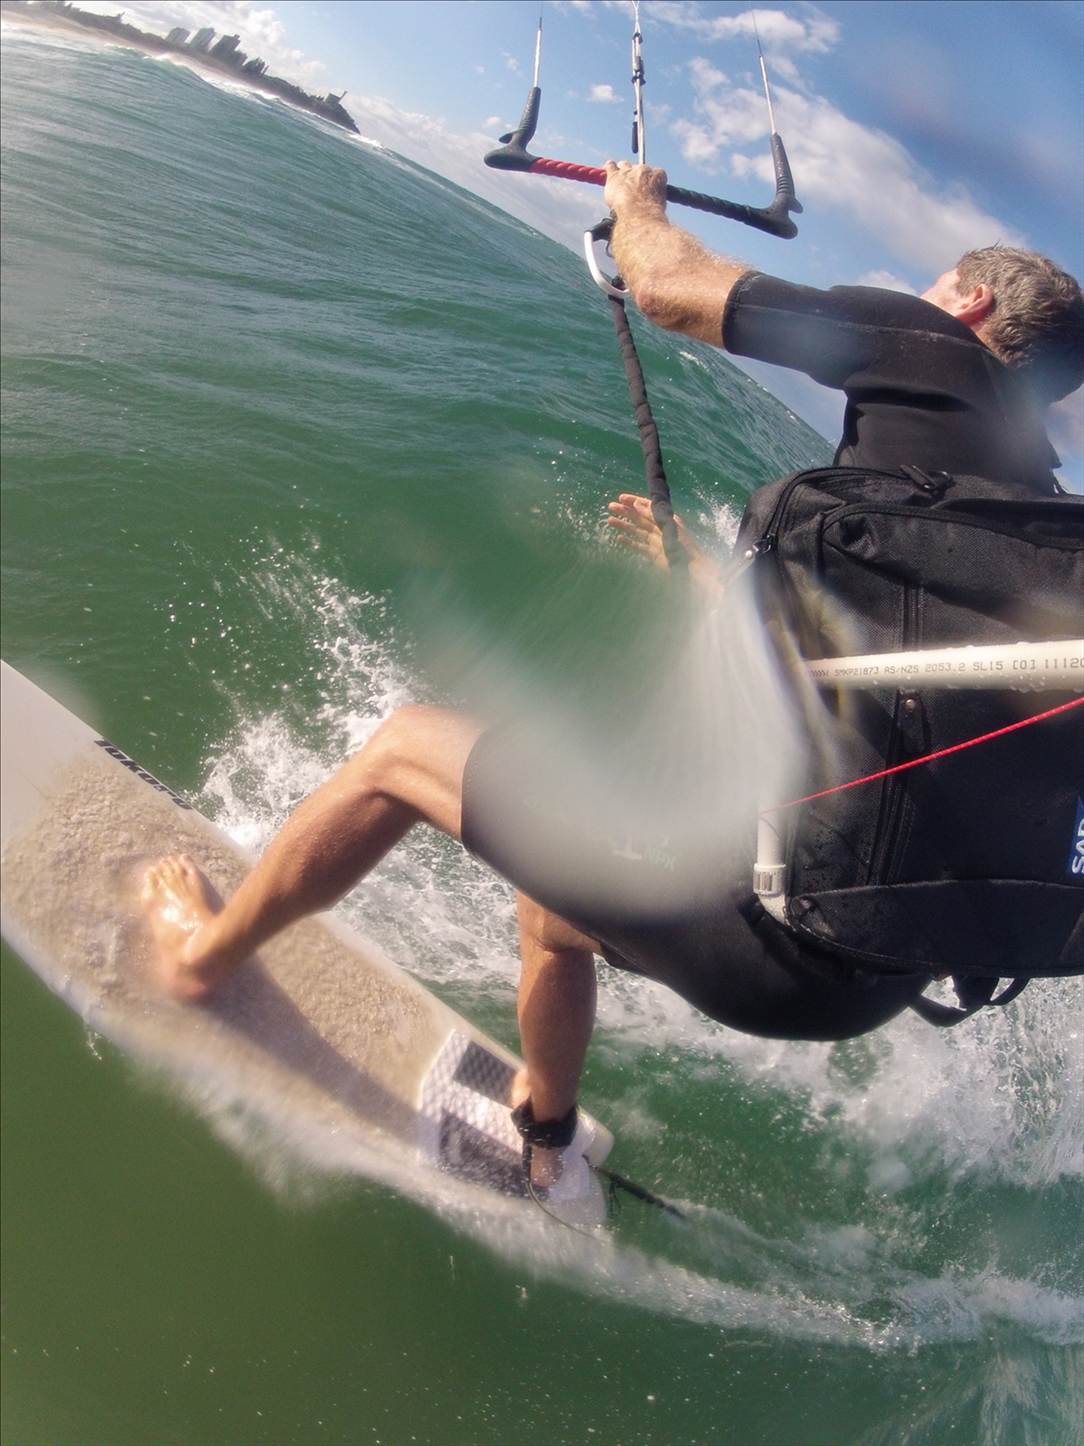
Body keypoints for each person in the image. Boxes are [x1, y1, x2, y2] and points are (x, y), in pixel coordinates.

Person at [143, 161, 1084, 1185]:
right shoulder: (1036, 532)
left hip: (763, 926)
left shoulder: (929, 348)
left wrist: (637, 205)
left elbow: (667, 288)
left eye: (935, 286)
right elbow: (874, 691)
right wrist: (705, 578)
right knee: (553, 910)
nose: (921, 297)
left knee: (401, 752)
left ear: (969, 302)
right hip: (868, 975)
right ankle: (546, 1139)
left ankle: (200, 960)